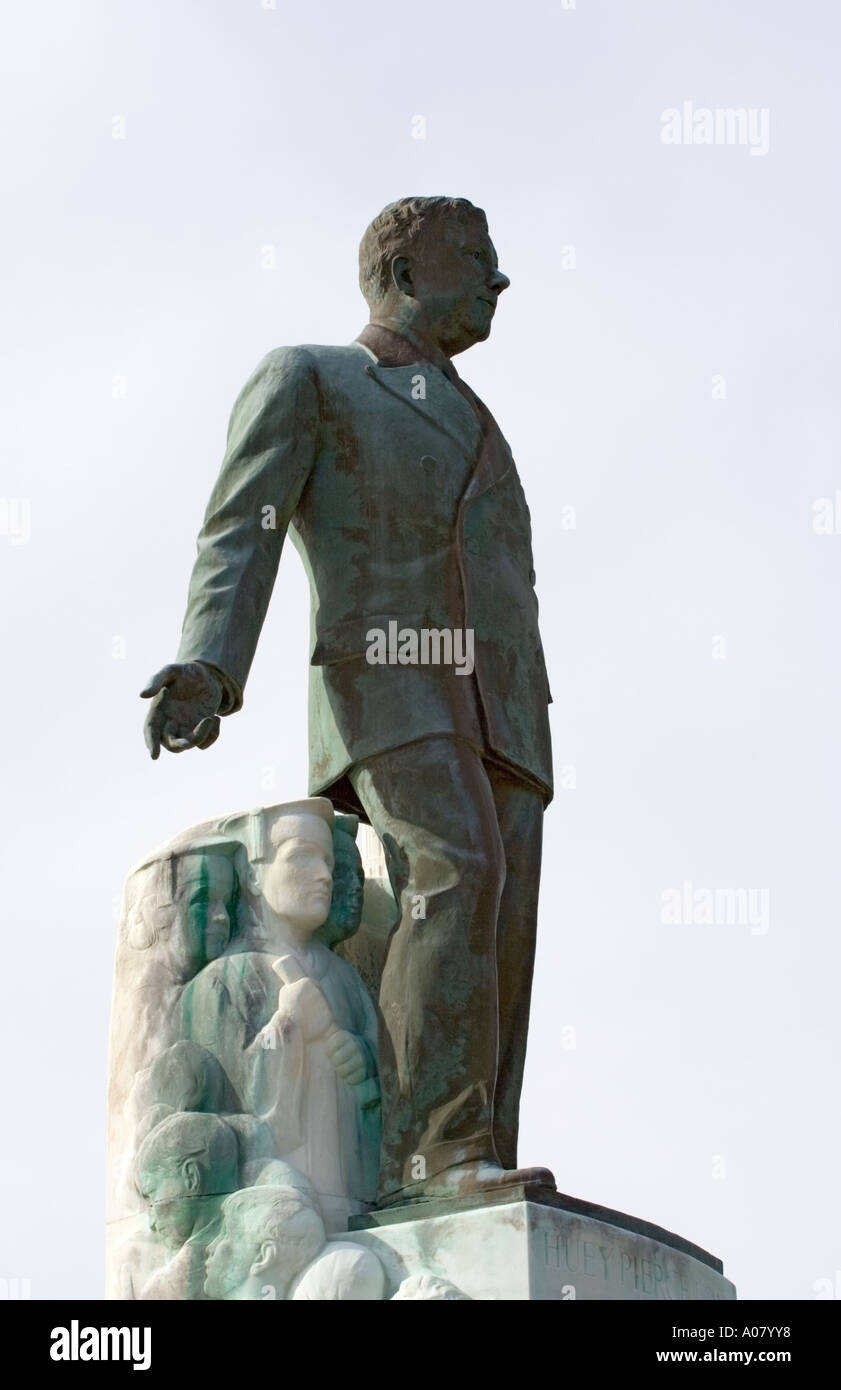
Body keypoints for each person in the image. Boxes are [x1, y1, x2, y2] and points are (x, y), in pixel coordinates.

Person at [141, 195, 555, 1206]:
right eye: (476, 258)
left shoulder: (479, 419)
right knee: (452, 872)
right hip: (385, 675)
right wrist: (209, 663)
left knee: (497, 922)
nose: (498, 280)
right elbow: (245, 524)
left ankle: (477, 1157)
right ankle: (435, 1155)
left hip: (505, 712)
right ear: (406, 273)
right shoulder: (314, 378)